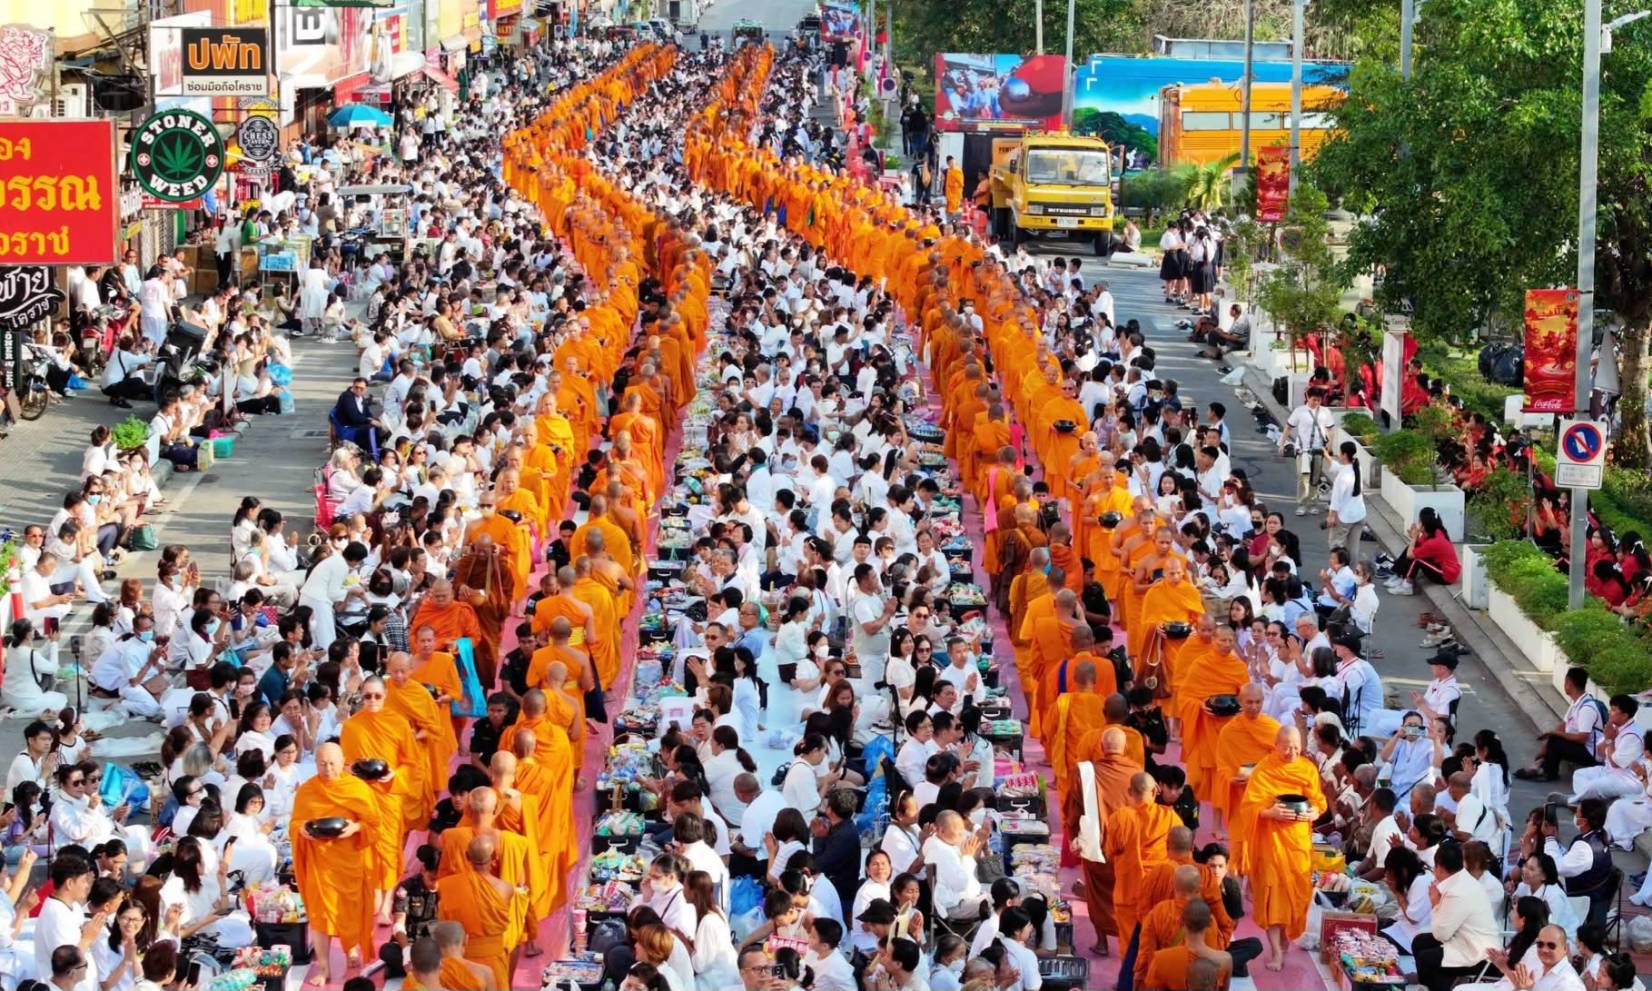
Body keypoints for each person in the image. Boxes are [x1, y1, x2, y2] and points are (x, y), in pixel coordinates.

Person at [1230, 725, 1325, 972]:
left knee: (1297, 897)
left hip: (1297, 842)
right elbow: (1249, 806)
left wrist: (1315, 811)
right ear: (1276, 746)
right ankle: (1276, 951)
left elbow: (1318, 800)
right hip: (1271, 842)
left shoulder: (1307, 768)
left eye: (1296, 747)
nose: (1291, 752)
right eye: (1286, 747)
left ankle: (1284, 938)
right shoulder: (1264, 769)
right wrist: (1269, 812)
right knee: (1272, 896)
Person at [289, 742, 382, 986]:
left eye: (332, 763)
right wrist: (302, 830)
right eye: (322, 764)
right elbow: (296, 823)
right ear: (315, 764)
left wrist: (356, 828)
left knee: (349, 910)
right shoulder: (308, 790)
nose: (328, 769)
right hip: (320, 863)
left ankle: (351, 948)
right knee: (319, 916)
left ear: (342, 763)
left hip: (350, 860)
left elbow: (374, 824)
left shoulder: (357, 788)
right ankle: (323, 966)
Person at [1412, 842, 1500, 991]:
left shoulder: (1457, 892)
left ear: (1439, 867)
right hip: (1465, 941)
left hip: (1478, 953)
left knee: (1426, 958)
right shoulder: (1462, 879)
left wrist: (1435, 904)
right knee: (1420, 942)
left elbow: (1441, 934)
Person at [1518, 668, 1605, 782]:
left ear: (1569, 683)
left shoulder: (1586, 708)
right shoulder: (1577, 703)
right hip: (1583, 747)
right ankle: (1540, 766)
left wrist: (1554, 734)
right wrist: (1545, 748)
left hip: (1591, 754)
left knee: (1556, 742)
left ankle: (1548, 773)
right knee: (1554, 738)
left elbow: (1582, 738)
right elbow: (1563, 725)